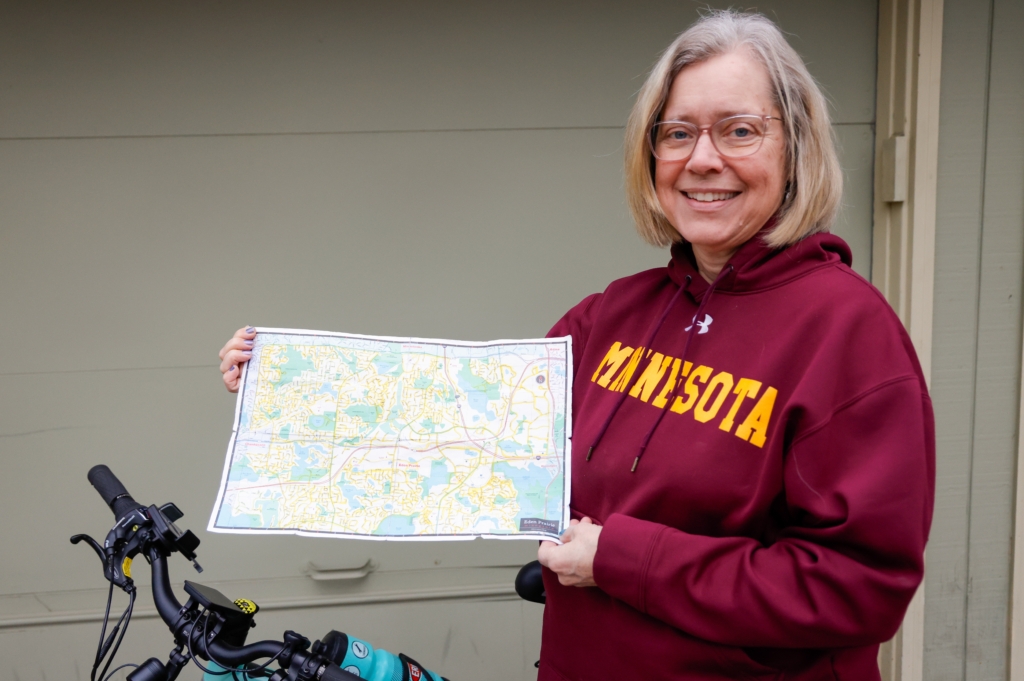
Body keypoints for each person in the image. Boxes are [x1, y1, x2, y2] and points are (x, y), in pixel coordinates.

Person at [220, 10, 934, 680]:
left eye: (739, 131)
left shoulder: (848, 334)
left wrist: (622, 558)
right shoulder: (610, 316)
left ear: (796, 148)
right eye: (677, 132)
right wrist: (288, 387)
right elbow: (469, 446)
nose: (702, 159)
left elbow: (855, 589)